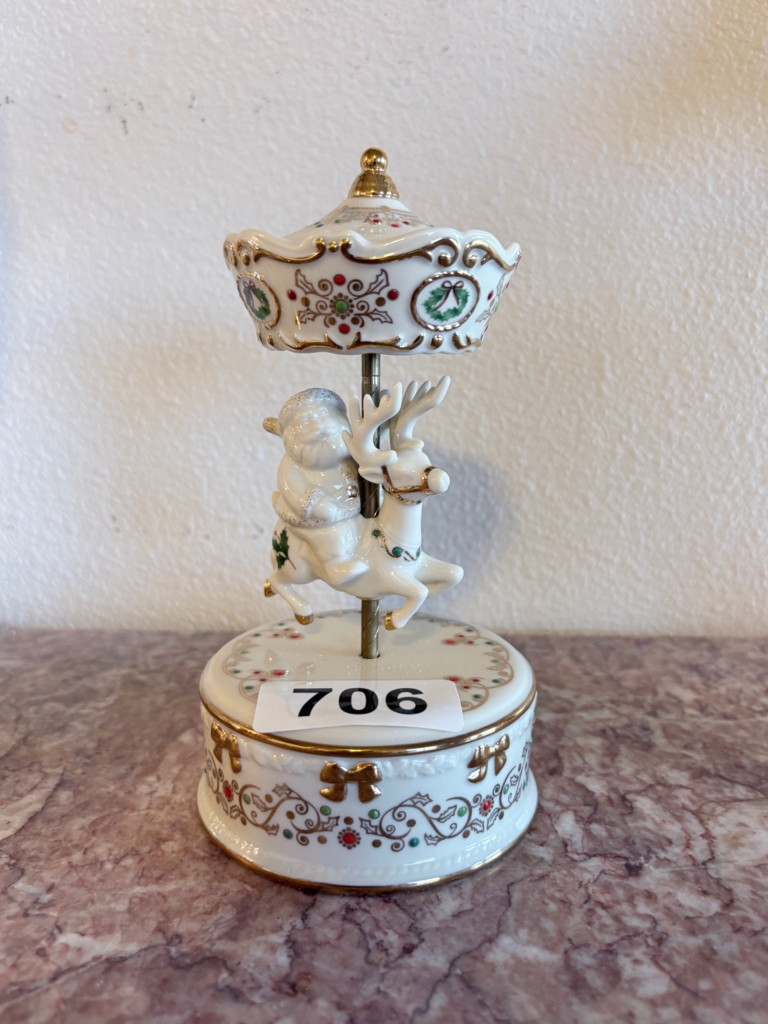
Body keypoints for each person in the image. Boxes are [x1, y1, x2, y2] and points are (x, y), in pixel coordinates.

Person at [264, 389, 366, 584]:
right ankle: (335, 566)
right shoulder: (291, 466)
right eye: (305, 422)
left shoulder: (348, 453)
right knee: (332, 533)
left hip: (356, 507)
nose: (317, 425)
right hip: (319, 517)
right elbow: (294, 490)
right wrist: (317, 503)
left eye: (323, 415)